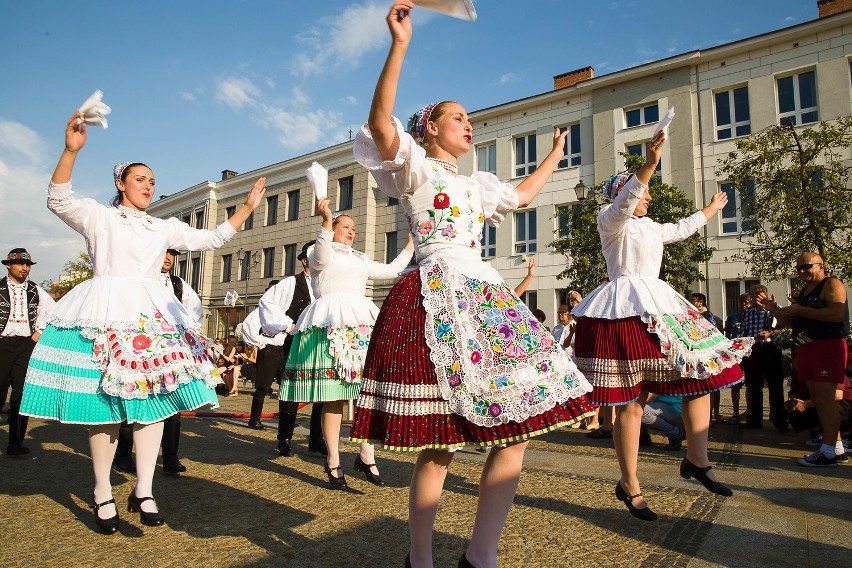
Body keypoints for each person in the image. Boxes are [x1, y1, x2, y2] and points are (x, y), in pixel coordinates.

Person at [348, 4, 593, 566]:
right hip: (434, 291)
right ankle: (421, 557)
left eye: (469, 118)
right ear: (431, 127)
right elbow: (382, 124)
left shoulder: (478, 184)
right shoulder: (413, 167)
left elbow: (525, 195)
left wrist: (556, 154)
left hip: (483, 295)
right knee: (439, 443)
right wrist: (400, 45)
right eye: (458, 116)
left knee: (516, 429)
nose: (469, 123)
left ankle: (481, 555)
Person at [19, 110, 265, 534]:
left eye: (152, 181)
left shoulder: (162, 226)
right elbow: (57, 199)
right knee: (105, 407)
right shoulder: (100, 216)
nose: (148, 186)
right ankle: (101, 492)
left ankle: (145, 489)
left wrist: (244, 209)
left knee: (154, 404)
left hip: (151, 315)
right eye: (140, 180)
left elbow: (211, 238)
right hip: (105, 308)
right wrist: (70, 151)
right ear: (121, 183)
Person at [572, 130, 751, 521]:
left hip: (658, 305)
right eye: (643, 192)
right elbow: (626, 202)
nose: (649, 196)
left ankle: (697, 459)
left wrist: (711, 209)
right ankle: (630, 482)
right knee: (631, 402)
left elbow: (682, 227)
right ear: (625, 193)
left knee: (701, 376)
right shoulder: (611, 221)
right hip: (624, 309)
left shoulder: (652, 227)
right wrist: (649, 164)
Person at [280, 198, 414, 488]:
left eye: (353, 227)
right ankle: (333, 459)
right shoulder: (320, 252)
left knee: (366, 391)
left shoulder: (359, 258)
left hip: (360, 320)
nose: (351, 231)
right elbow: (321, 256)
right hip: (329, 320)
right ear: (334, 228)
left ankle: (367, 455)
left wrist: (411, 244)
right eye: (345, 226)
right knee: (335, 395)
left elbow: (391, 270)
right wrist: (326, 220)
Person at [113, 249, 204, 475]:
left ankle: (170, 457)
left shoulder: (178, 283)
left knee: (172, 404)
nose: (167, 258)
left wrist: (188, 336)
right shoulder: (136, 280)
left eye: (171, 254)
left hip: (169, 351)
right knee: (132, 399)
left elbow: (194, 311)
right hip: (139, 348)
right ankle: (123, 455)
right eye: (163, 253)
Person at [757, 252, 849, 467]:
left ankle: (827, 452)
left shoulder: (831, 284)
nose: (801, 272)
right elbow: (793, 323)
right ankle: (836, 448)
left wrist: (801, 309)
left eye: (806, 267)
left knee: (827, 399)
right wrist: (776, 311)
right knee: (819, 397)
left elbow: (837, 314)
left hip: (827, 345)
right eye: (798, 268)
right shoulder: (805, 291)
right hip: (808, 346)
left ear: (821, 265)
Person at [256, 244, 326, 456]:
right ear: (305, 260)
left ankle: (316, 438)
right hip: (296, 342)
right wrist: (288, 325)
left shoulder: (327, 282)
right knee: (292, 391)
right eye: (312, 257)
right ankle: (284, 438)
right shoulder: (290, 283)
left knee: (323, 390)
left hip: (320, 342)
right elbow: (266, 302)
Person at [0, 248, 55, 456]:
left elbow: (52, 310)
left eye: (28, 265)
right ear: (8, 265)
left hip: (25, 345)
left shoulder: (35, 290)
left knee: (21, 395)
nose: (24, 268)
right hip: (2, 344)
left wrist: (40, 331)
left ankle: (15, 443)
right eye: (20, 264)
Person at [740, 284, 786, 431]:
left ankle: (779, 419)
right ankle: (755, 419)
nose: (757, 296)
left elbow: (784, 328)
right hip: (753, 350)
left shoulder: (773, 309)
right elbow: (744, 331)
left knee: (775, 385)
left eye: (760, 294)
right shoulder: (747, 312)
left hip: (770, 349)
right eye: (754, 294)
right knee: (753, 386)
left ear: (766, 294)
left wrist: (771, 333)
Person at [692, 292, 724, 424]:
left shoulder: (707, 315)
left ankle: (712, 415)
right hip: (698, 354)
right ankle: (708, 415)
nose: (691, 302)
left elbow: (710, 334)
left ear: (700, 301)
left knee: (711, 386)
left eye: (693, 300)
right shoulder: (694, 315)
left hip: (708, 353)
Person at [723, 293, 752, 424]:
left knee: (750, 384)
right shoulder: (732, 317)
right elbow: (727, 334)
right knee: (735, 384)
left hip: (749, 353)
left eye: (747, 303)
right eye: (742, 303)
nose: (744, 305)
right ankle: (735, 412)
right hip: (735, 354)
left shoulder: (753, 316)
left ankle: (749, 411)